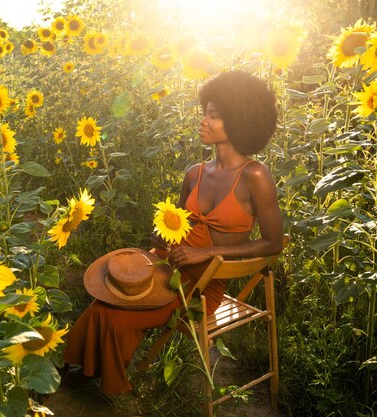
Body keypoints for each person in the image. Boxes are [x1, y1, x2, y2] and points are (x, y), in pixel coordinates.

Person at [62, 70, 284, 398]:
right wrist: (162, 237)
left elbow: (274, 243)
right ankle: (83, 366)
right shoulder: (194, 173)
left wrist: (206, 254)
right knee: (110, 292)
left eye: (215, 115)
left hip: (201, 285)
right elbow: (178, 226)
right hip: (168, 266)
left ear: (241, 120)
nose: (203, 121)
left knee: (118, 313)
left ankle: (102, 376)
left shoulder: (255, 175)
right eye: (204, 113)